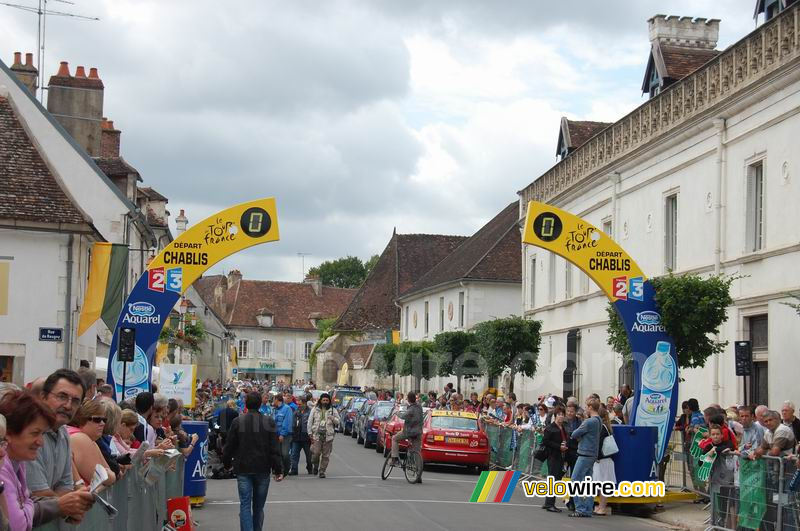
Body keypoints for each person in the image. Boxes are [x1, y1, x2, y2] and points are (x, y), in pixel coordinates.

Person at [0, 390, 92, 529]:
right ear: (9, 434)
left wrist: (64, 507)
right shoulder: (3, 467)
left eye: (42, 434)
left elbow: (28, 500)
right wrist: (58, 506)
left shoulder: (18, 462)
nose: (41, 442)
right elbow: (17, 525)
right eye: (35, 433)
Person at [26, 369, 95, 523]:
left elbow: (65, 484)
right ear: (43, 397)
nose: (68, 405)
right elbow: (38, 493)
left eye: (75, 401)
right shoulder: (28, 433)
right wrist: (70, 507)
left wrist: (69, 505)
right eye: (62, 396)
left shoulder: (63, 432)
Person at [223, 391, 284, 531]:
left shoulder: (238, 421)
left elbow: (229, 446)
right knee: (258, 507)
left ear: (245, 403)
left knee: (245, 504)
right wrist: (278, 469)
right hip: (262, 468)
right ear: (260, 404)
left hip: (243, 468)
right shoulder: (268, 421)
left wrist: (226, 464)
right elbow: (274, 448)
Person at [67, 399, 116, 487]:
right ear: (83, 419)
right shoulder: (80, 439)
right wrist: (110, 476)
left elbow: (109, 474)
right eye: (97, 419)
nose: (102, 423)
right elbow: (103, 479)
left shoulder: (90, 440)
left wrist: (110, 475)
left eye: (104, 420)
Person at [568, 397, 601, 518]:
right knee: (588, 482)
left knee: (575, 481)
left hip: (584, 453)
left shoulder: (589, 422)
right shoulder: (599, 420)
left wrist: (579, 433)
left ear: (591, 408)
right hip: (592, 454)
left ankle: (581, 508)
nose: (585, 409)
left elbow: (575, 433)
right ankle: (587, 508)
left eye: (587, 407)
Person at [390, 391, 423, 483]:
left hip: (409, 432)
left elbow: (403, 416)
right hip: (418, 433)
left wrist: (397, 412)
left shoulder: (411, 409)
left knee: (395, 439)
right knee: (417, 452)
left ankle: (395, 458)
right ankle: (419, 476)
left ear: (408, 399)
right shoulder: (419, 407)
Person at [541, 406, 568, 513]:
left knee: (556, 479)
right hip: (553, 456)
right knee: (554, 480)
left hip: (561, 456)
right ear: (555, 416)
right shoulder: (550, 427)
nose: (561, 416)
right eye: (559, 414)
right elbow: (545, 441)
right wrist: (558, 447)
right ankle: (549, 504)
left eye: (562, 414)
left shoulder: (563, 427)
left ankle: (548, 502)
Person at [307, 393, 339, 478]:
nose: (325, 402)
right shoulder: (315, 409)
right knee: (316, 453)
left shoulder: (333, 410)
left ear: (329, 401)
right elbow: (310, 421)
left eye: (327, 400)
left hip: (328, 436)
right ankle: (315, 465)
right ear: (321, 400)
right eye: (323, 400)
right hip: (317, 435)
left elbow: (338, 421)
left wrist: (333, 418)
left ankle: (322, 471)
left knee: (326, 455)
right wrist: (309, 433)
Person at [592, 405, 617, 516]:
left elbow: (599, 443)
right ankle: (601, 506)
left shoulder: (601, 428)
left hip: (602, 459)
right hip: (606, 459)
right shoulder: (607, 427)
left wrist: (596, 456)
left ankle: (602, 507)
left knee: (602, 484)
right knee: (603, 484)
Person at [271, 394, 293, 477]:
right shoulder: (274, 410)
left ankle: (286, 469)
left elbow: (287, 423)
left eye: (273, 400)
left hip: (285, 435)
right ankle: (280, 470)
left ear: (277, 400)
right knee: (277, 454)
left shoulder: (287, 409)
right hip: (275, 435)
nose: (273, 402)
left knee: (285, 454)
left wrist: (282, 434)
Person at [289, 397, 312, 475]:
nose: (298, 405)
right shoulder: (296, 411)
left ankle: (310, 468)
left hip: (306, 437)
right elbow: (292, 423)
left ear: (305, 403)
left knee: (309, 456)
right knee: (294, 455)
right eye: (298, 404)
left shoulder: (310, 412)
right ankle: (294, 470)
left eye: (300, 404)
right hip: (296, 437)